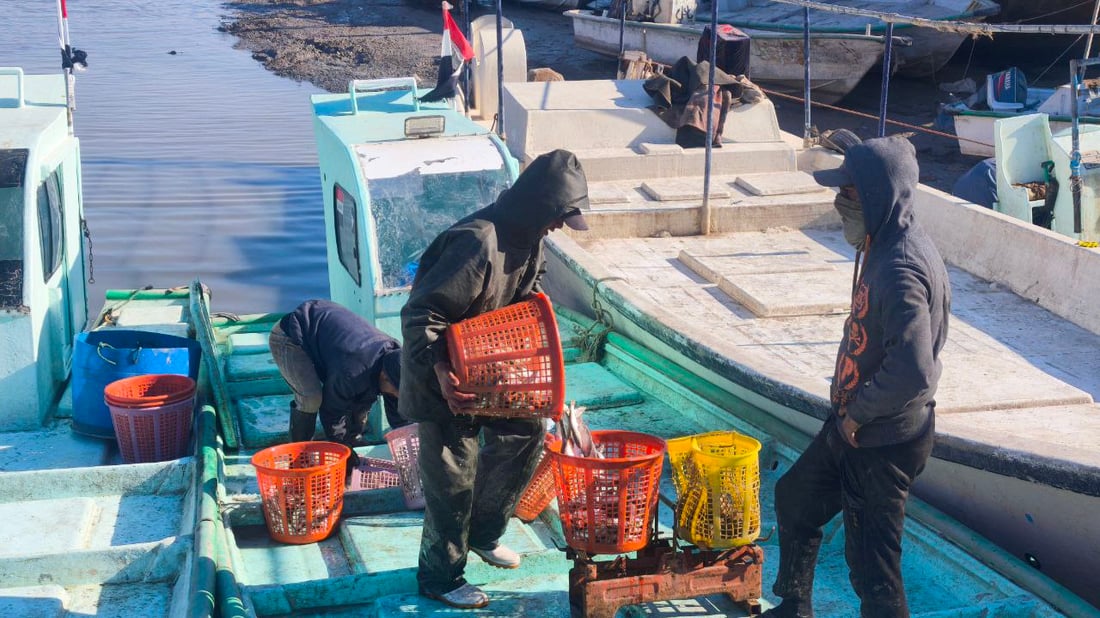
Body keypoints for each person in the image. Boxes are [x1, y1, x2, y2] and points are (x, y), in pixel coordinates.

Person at [764, 136, 951, 618]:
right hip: (855, 425)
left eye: (848, 192)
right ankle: (794, 607)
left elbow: (913, 370)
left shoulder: (901, 267)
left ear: (876, 195)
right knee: (796, 498)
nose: (839, 202)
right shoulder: (883, 240)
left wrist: (858, 415)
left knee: (874, 573)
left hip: (881, 439)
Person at [399, 149, 590, 610]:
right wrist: (443, 372)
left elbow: (527, 293)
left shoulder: (531, 236)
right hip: (440, 378)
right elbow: (421, 314)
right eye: (558, 217)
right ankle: (440, 576)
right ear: (538, 206)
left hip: (487, 367)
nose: (560, 227)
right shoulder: (477, 242)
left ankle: (484, 533)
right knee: (453, 477)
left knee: (527, 434)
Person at [268, 299, 408, 456]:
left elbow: (398, 413)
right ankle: (299, 454)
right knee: (311, 398)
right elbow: (332, 412)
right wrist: (344, 450)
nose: (398, 395)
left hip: (330, 337)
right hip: (291, 336)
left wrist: (406, 438)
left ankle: (355, 440)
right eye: (397, 391)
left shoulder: (397, 360)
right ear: (384, 376)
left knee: (363, 397)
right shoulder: (352, 372)